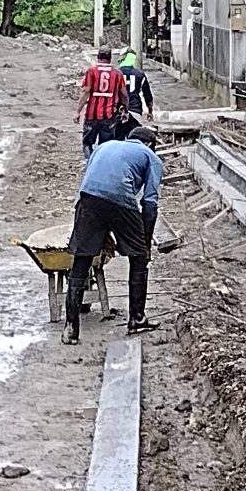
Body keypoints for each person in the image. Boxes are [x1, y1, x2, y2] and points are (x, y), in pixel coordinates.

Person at [61, 127, 163, 344]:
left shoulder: (103, 147)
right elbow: (149, 203)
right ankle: (137, 318)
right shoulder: (151, 157)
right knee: (138, 259)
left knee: (81, 260)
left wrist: (101, 231)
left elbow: (91, 183)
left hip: (87, 200)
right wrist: (145, 244)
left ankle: (71, 327)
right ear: (150, 144)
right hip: (121, 200)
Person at [74, 46, 127, 157]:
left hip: (92, 115)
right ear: (110, 58)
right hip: (109, 116)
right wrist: (125, 110)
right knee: (106, 146)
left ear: (98, 56)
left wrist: (78, 111)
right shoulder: (117, 73)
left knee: (87, 143)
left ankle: (90, 163)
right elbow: (124, 95)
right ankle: (102, 165)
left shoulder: (91, 71)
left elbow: (86, 92)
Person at [115, 49, 154, 141]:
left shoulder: (115, 74)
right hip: (135, 111)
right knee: (134, 140)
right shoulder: (140, 75)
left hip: (118, 112)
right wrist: (150, 111)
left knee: (117, 140)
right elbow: (147, 96)